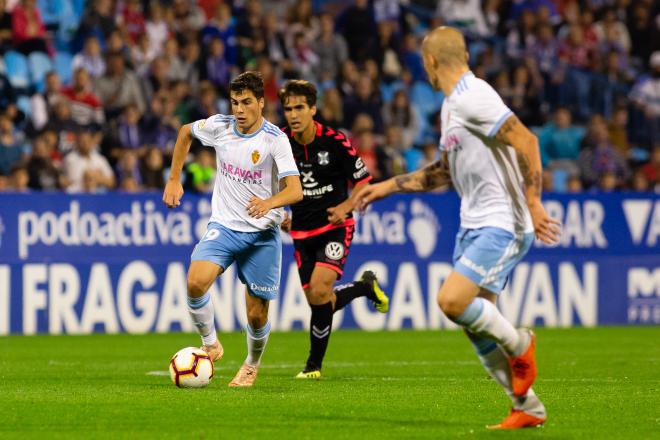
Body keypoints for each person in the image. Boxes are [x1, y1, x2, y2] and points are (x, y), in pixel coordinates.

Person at [357, 27, 561, 430]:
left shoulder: (475, 97)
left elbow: (528, 141)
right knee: (475, 323)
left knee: (451, 300)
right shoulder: (453, 106)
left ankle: (522, 344)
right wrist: (387, 187)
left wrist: (534, 201)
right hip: (474, 224)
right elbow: (442, 172)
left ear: (430, 62)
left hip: (503, 221)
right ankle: (527, 407)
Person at [162, 71, 303, 387]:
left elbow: (295, 190)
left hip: (262, 233)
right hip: (224, 226)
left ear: (261, 103)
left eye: (246, 102)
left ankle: (252, 364)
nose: (239, 110)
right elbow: (185, 132)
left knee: (256, 314)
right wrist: (174, 178)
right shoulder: (220, 127)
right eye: (235, 102)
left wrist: (270, 203)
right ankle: (211, 344)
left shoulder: (274, 140)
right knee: (196, 282)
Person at [278, 80, 389, 379]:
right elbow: (273, 181)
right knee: (319, 298)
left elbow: (364, 182)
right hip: (301, 231)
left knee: (320, 288)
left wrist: (346, 208)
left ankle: (313, 366)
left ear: (313, 109)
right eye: (288, 109)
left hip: (334, 226)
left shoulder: (335, 141)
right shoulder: (279, 142)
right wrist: (281, 212)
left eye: (300, 107)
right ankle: (363, 287)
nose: (293, 114)